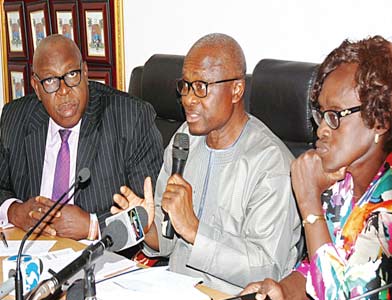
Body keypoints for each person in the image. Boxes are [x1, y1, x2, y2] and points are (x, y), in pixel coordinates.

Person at [111, 33, 302, 295]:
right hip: (173, 288)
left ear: (236, 89)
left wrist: (194, 230)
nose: (188, 99)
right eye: (185, 86)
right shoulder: (183, 141)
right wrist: (145, 226)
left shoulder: (271, 165)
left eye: (201, 87)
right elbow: (166, 243)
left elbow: (268, 269)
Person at [241, 36, 392, 299]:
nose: (322, 129)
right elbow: (313, 269)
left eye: (336, 115)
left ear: (380, 120)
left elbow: (343, 295)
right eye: (321, 114)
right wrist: (280, 290)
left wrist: (309, 205)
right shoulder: (340, 185)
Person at [0, 34, 164, 241]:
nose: (64, 91)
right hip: (29, 253)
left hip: (103, 260)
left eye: (71, 75)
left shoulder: (130, 119)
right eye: (50, 81)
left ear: (85, 72)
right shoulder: (15, 117)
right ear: (36, 87)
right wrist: (14, 211)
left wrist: (93, 225)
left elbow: (150, 214)